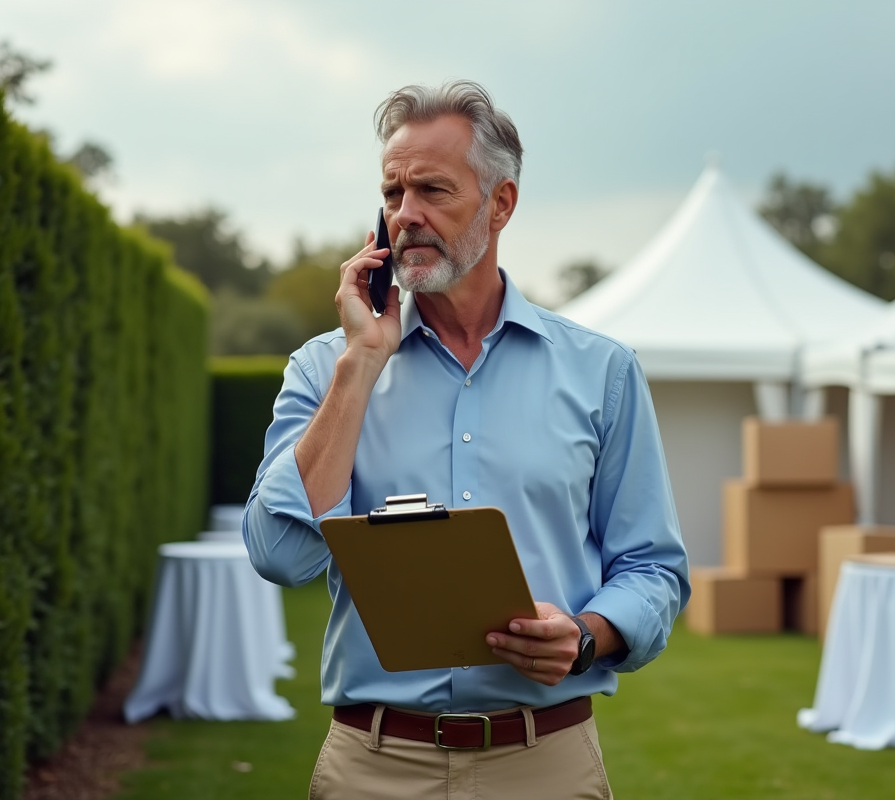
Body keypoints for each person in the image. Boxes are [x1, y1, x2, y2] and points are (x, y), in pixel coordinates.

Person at [243, 80, 689, 800]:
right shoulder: (325, 368)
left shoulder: (602, 371)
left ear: (501, 202)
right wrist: (361, 363)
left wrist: (583, 636)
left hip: (546, 763)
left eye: (432, 190)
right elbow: (280, 555)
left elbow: (653, 569)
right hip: (372, 764)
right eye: (392, 193)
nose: (406, 215)